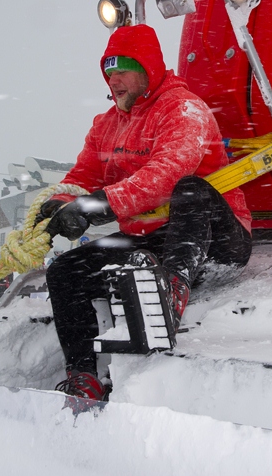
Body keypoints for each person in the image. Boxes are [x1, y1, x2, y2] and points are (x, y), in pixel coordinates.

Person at [36, 24, 252, 401]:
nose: (112, 77)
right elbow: (82, 175)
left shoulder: (184, 110)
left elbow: (165, 174)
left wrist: (96, 205)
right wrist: (59, 202)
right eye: (108, 69)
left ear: (147, 69)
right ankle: (84, 375)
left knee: (191, 188)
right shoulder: (106, 125)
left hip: (217, 238)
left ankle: (173, 288)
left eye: (122, 68)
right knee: (65, 271)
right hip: (154, 237)